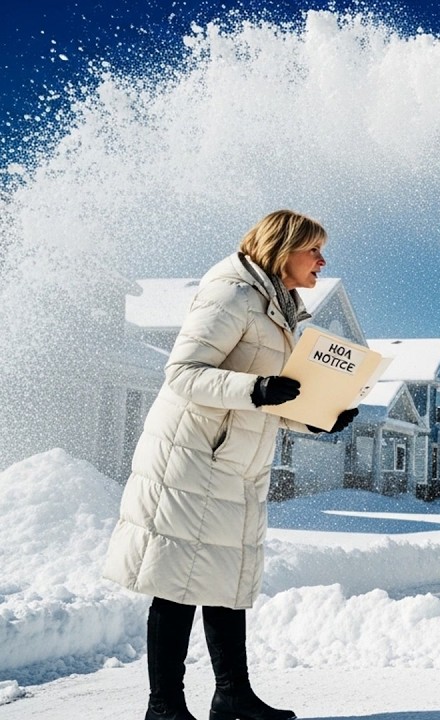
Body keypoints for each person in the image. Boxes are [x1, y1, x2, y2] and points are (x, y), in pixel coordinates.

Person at [103, 210, 359, 720]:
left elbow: (267, 399)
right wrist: (257, 388)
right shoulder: (232, 293)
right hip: (191, 460)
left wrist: (318, 419)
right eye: (314, 250)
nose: (322, 261)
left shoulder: (276, 307)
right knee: (176, 582)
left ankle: (232, 696)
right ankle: (164, 706)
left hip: (234, 464)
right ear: (283, 249)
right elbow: (183, 373)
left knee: (226, 578)